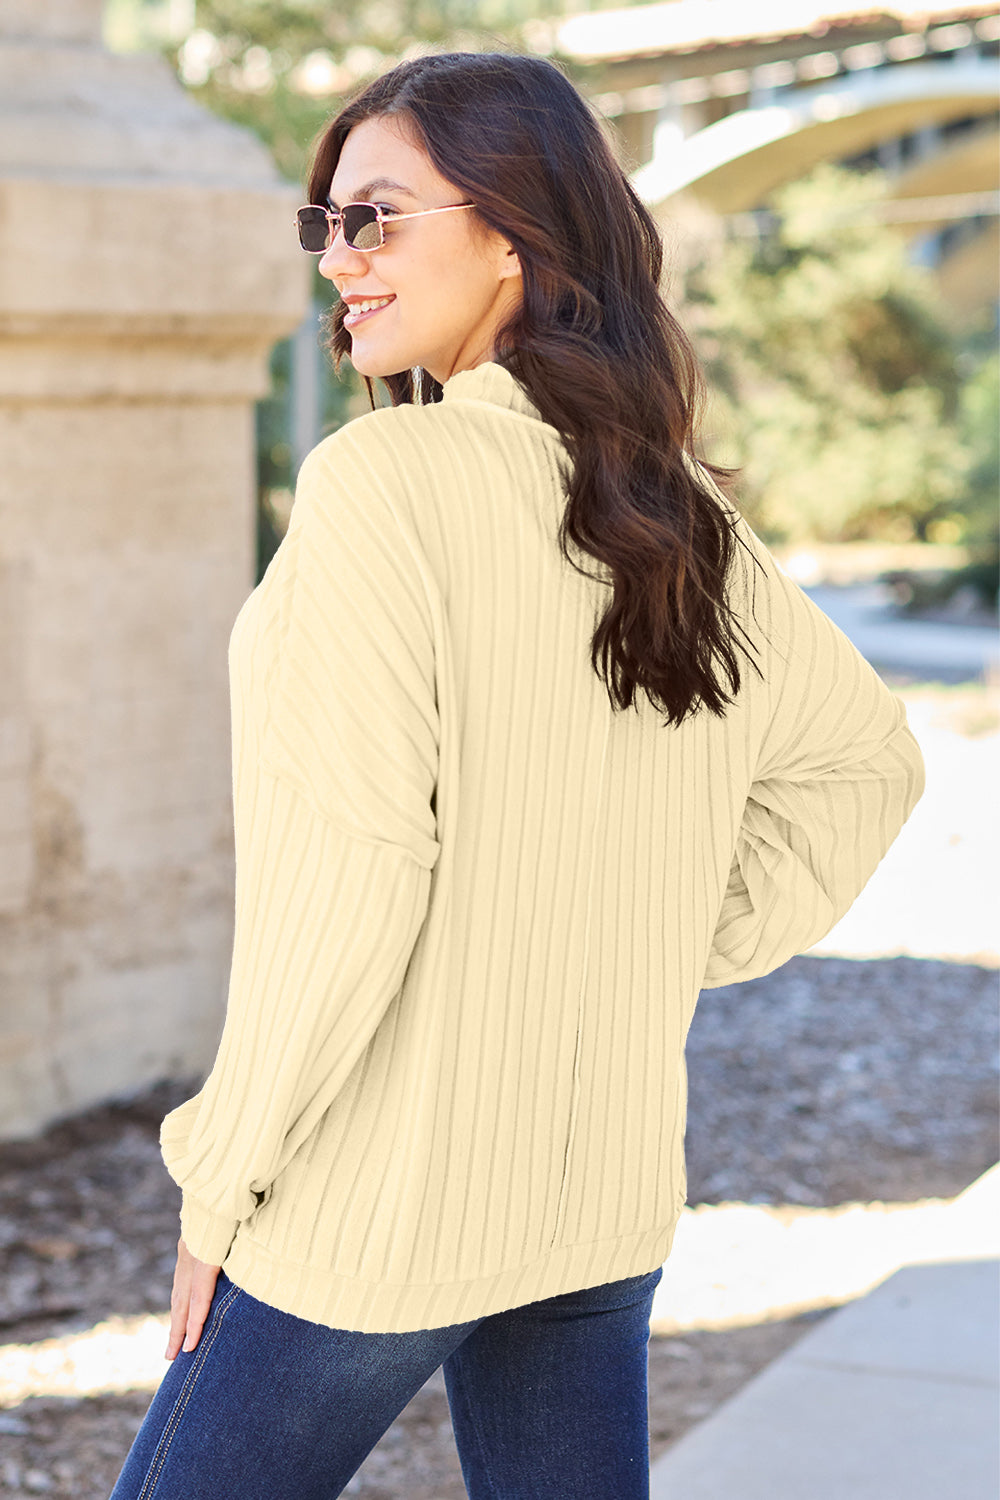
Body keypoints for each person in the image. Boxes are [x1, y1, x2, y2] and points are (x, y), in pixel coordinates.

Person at [109, 50, 924, 1500]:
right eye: (328, 224)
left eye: (377, 216)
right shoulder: (676, 518)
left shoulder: (383, 489)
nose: (338, 257)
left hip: (384, 1211)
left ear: (509, 232)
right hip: (592, 1204)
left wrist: (222, 1178)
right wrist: (663, 928)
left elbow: (352, 876)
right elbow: (866, 764)